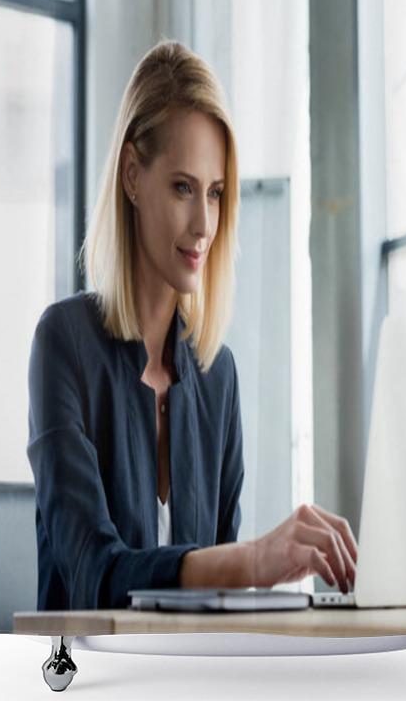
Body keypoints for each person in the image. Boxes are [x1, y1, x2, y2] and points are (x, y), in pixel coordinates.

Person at [27, 41, 357, 610]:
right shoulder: (64, 343)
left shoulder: (217, 376)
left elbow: (220, 604)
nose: (204, 223)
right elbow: (93, 573)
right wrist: (254, 561)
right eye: (183, 187)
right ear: (132, 175)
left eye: (216, 193)